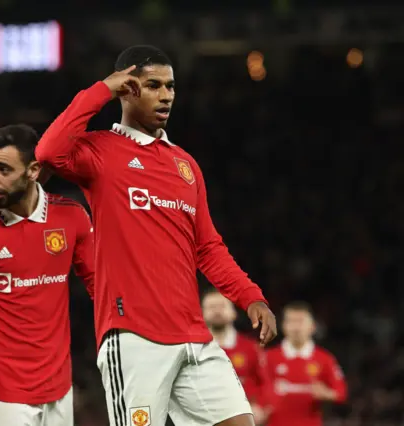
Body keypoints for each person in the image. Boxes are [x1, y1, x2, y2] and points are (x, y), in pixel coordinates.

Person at [36, 44, 278, 426]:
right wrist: (101, 89)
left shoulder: (185, 165)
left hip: (193, 335)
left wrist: (250, 297)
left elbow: (208, 247)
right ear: (127, 89)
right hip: (134, 336)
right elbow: (49, 152)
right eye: (153, 85)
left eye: (170, 86)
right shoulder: (100, 152)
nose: (166, 95)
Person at [0, 124, 95, 426]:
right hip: (2, 392)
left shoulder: (70, 215)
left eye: (3, 169)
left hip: (60, 386)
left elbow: (100, 286)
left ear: (33, 170)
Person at [265, 302, 347, 426]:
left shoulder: (325, 359)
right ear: (283, 326)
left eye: (301, 321)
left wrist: (327, 394)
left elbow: (341, 392)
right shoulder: (267, 357)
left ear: (312, 326)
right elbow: (253, 388)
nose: (296, 327)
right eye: (291, 321)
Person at [202, 289, 273, 425]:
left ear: (233, 313)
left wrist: (261, 407)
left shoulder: (251, 348)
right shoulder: (192, 348)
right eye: (211, 307)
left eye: (222, 306)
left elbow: (267, 382)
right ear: (201, 314)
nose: (217, 311)